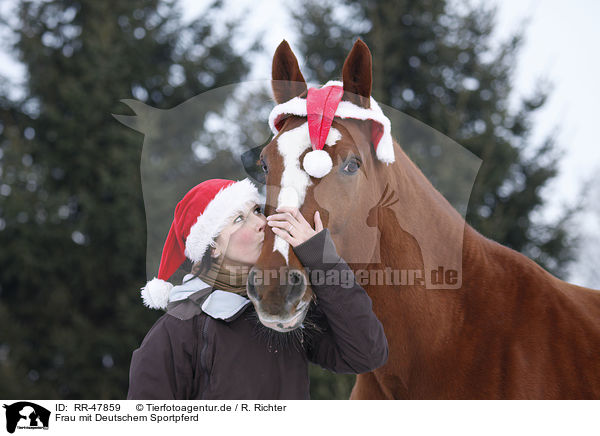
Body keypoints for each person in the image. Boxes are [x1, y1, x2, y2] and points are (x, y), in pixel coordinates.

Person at [127, 178, 388, 399]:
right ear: (213, 247)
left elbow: (366, 354)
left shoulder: (283, 309)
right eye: (239, 218)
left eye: (257, 210)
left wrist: (323, 261)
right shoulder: (177, 331)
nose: (261, 221)